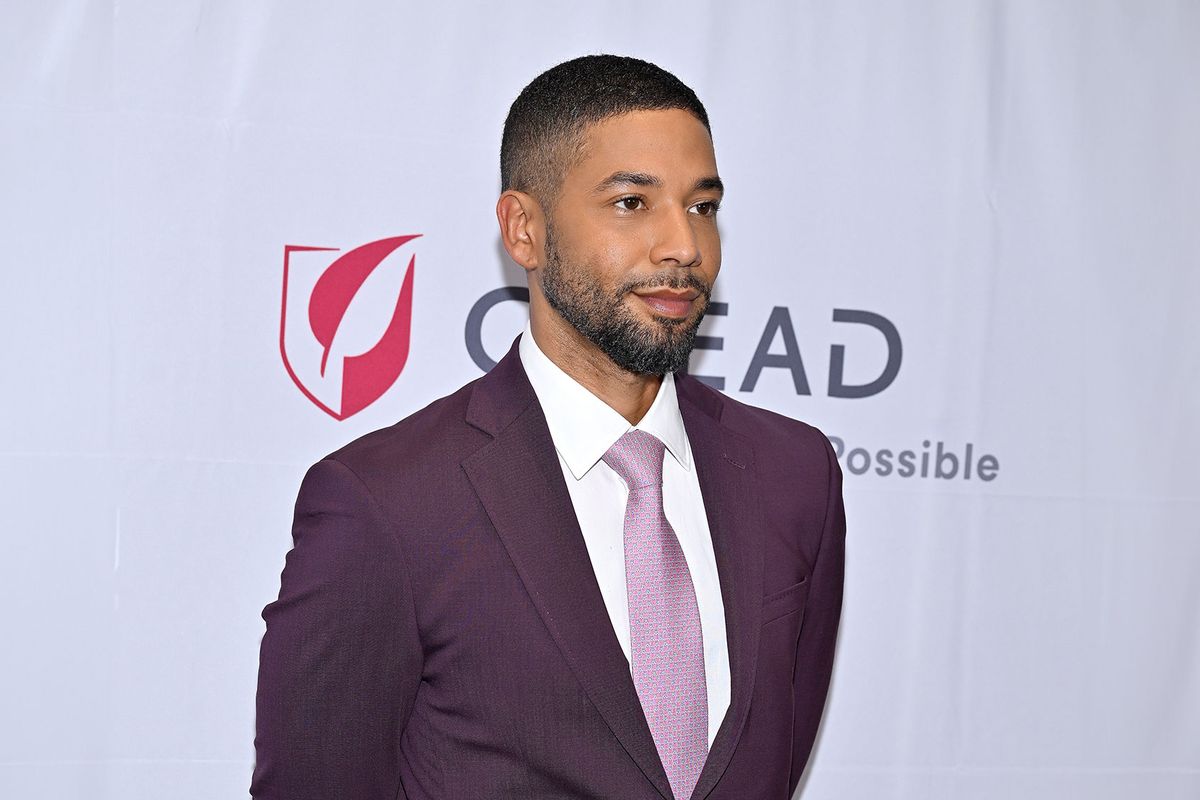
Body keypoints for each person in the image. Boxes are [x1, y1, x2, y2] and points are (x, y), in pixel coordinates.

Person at [252, 54, 845, 800]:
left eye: (702, 206)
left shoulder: (795, 475)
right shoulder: (388, 501)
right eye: (633, 203)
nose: (685, 248)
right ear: (523, 230)